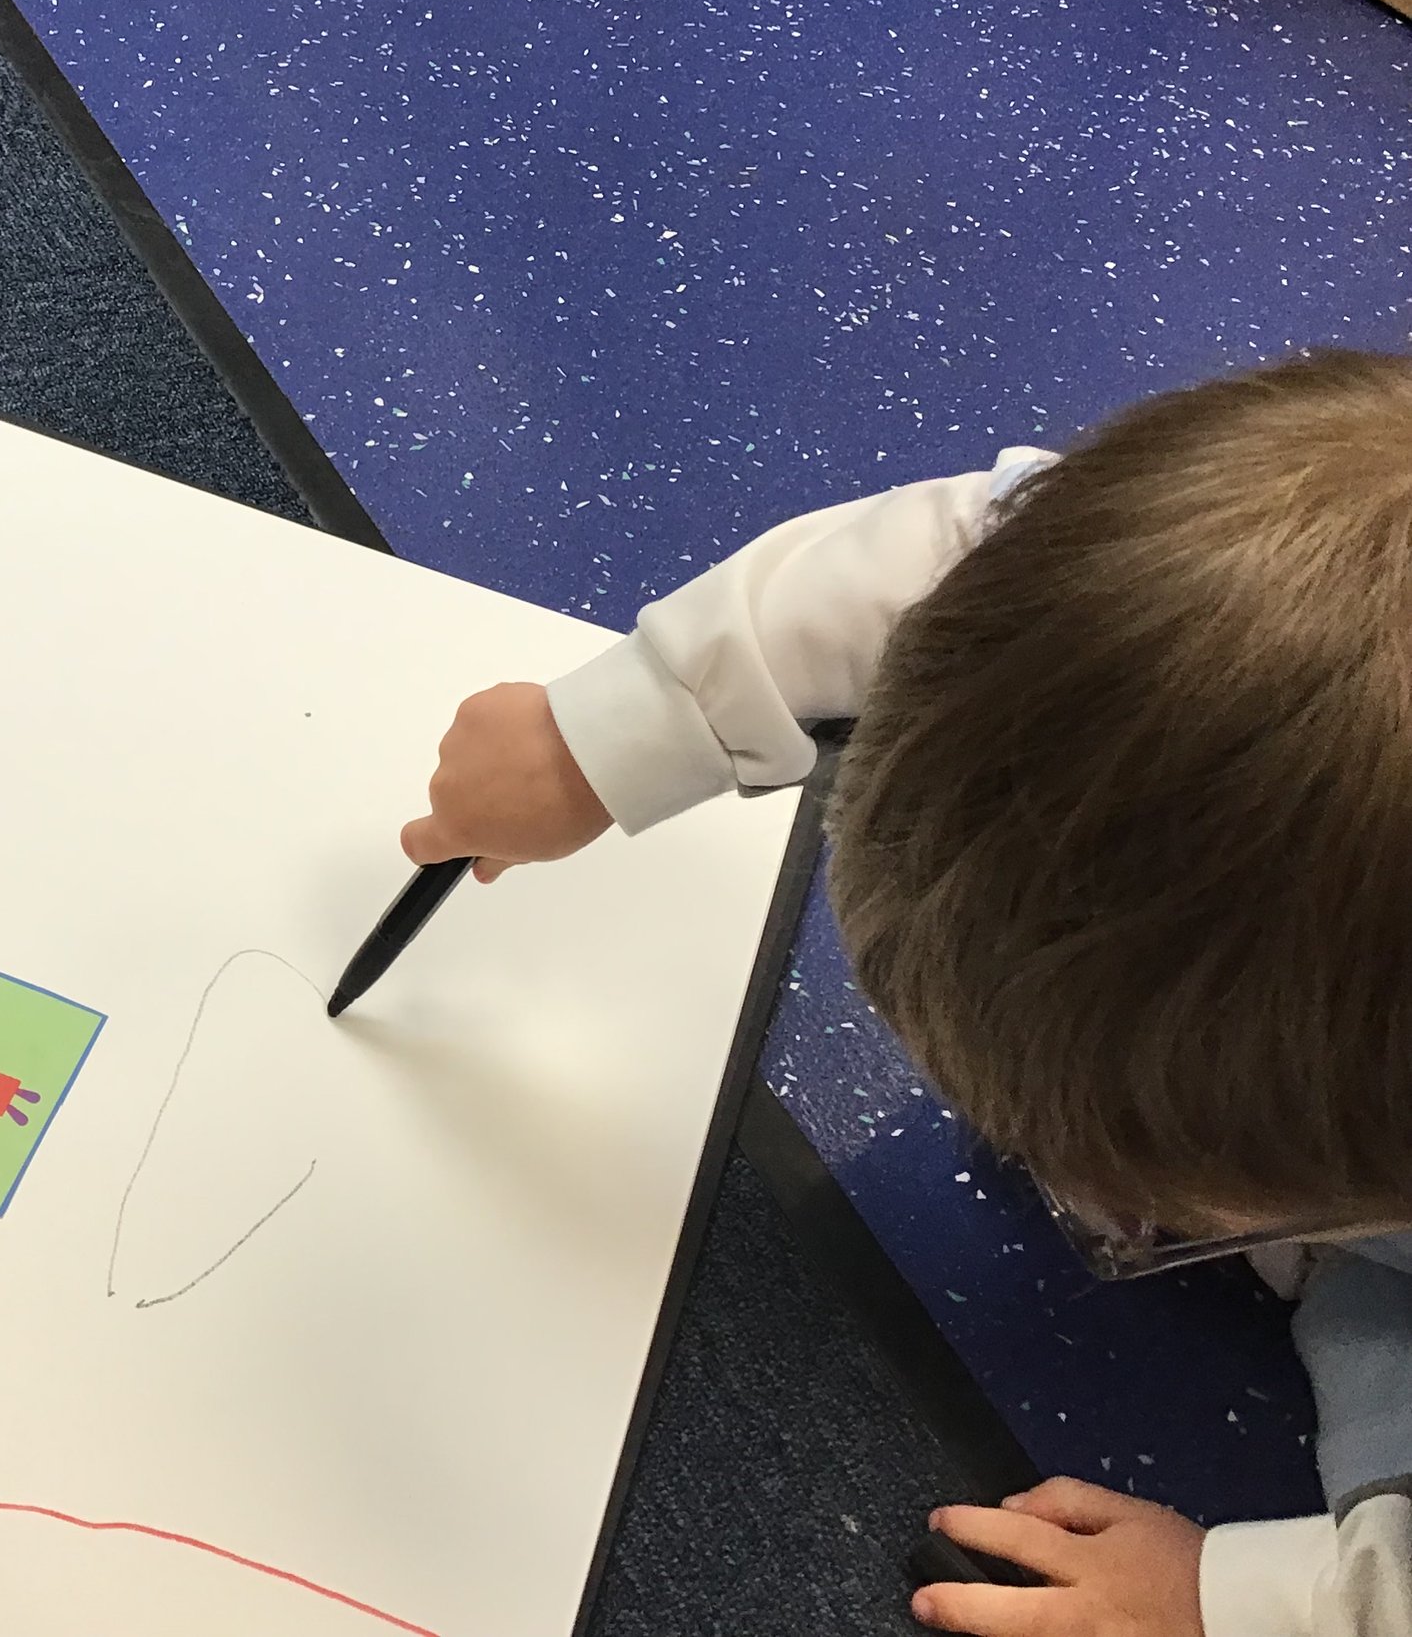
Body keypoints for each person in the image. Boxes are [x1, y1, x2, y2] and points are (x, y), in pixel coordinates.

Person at [401, 351, 1412, 1637]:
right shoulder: (1216, 564)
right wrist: (616, 727)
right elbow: (965, 556)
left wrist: (1238, 1601)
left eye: (1146, 1197)